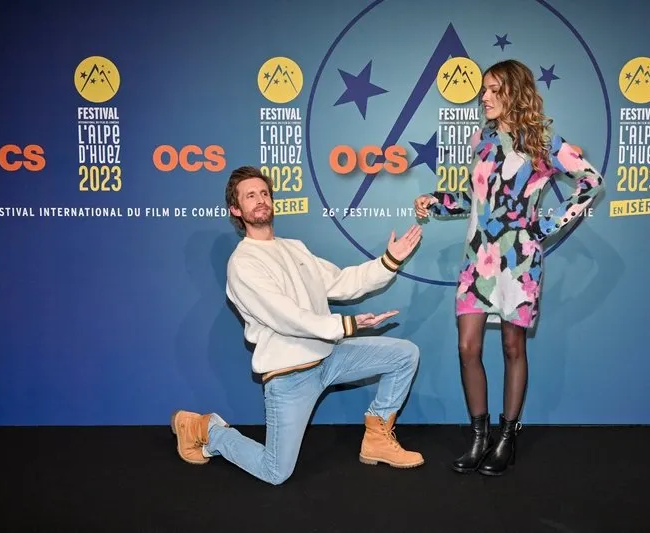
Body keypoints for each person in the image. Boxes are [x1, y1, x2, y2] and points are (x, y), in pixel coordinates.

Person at [171, 166, 425, 485]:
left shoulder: (294, 248)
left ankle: (376, 439)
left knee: (404, 354)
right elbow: (287, 317)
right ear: (236, 210)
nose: (261, 199)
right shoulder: (242, 264)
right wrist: (346, 324)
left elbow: (340, 282)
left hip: (328, 358)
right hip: (289, 377)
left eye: (264, 193)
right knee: (275, 472)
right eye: (250, 195)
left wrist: (389, 260)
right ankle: (206, 431)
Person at [414, 59, 604, 476]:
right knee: (468, 347)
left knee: (512, 347)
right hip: (477, 258)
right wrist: (437, 200)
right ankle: (478, 437)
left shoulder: (544, 140)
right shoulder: (480, 138)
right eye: (483, 90)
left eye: (492, 89)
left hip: (518, 261)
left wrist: (546, 224)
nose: (483, 97)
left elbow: (591, 181)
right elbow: (473, 199)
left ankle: (506, 438)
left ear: (513, 91)